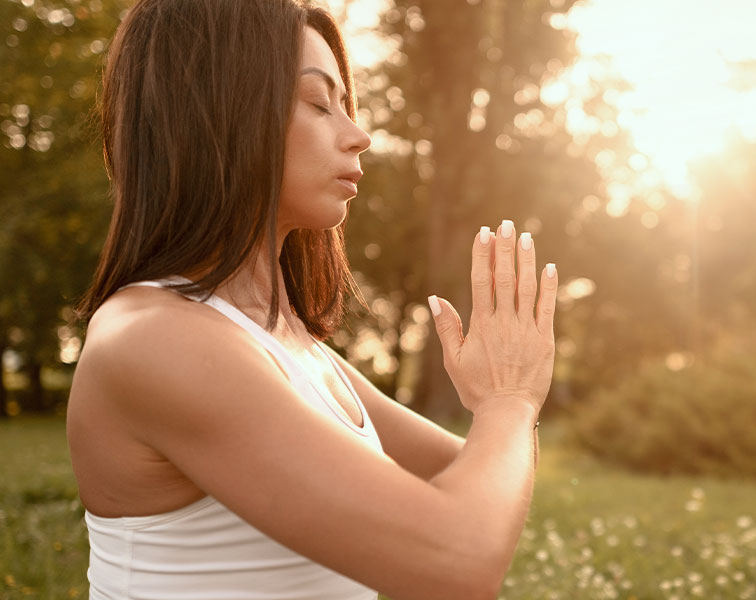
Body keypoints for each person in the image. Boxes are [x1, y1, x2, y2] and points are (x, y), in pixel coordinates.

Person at [66, 1, 557, 598]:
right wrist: (509, 398)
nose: (359, 135)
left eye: (347, 106)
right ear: (220, 113)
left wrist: (500, 401)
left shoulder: (293, 347)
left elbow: (485, 482)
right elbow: (460, 558)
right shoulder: (153, 338)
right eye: (321, 104)